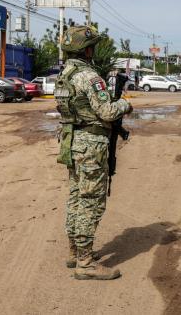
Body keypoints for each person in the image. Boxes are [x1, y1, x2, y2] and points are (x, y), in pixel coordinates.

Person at [54, 25, 132, 280]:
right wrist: (125, 103)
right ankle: (85, 264)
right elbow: (107, 112)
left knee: (76, 197)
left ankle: (75, 252)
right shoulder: (89, 77)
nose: (93, 50)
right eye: (92, 47)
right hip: (91, 146)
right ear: (86, 49)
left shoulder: (64, 75)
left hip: (72, 141)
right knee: (91, 202)